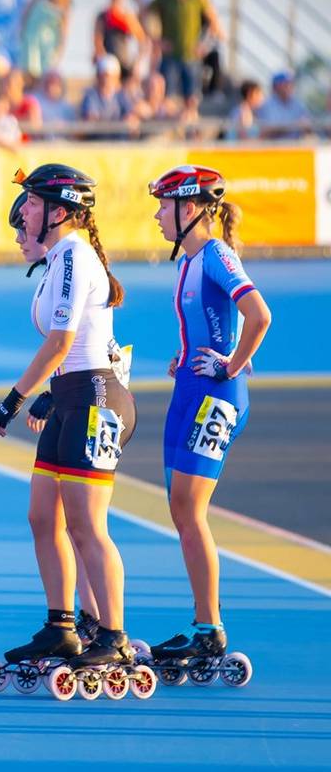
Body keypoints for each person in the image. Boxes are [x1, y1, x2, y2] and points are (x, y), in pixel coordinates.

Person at [0, 164, 138, 675]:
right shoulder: (58, 259)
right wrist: (51, 394)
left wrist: (15, 398)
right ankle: (61, 626)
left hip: (94, 398)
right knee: (42, 517)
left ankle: (114, 635)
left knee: (87, 525)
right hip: (72, 394)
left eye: (31, 202)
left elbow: (61, 342)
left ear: (59, 211)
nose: (23, 211)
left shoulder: (74, 254)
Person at [147, 165, 271, 665]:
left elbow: (260, 315)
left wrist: (231, 365)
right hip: (192, 389)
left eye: (162, 206)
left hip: (215, 396)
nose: (156, 216)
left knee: (189, 510)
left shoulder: (217, 254)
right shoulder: (191, 260)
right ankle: (203, 623)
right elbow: (212, 326)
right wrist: (189, 356)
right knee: (180, 509)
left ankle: (209, 629)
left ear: (190, 209)